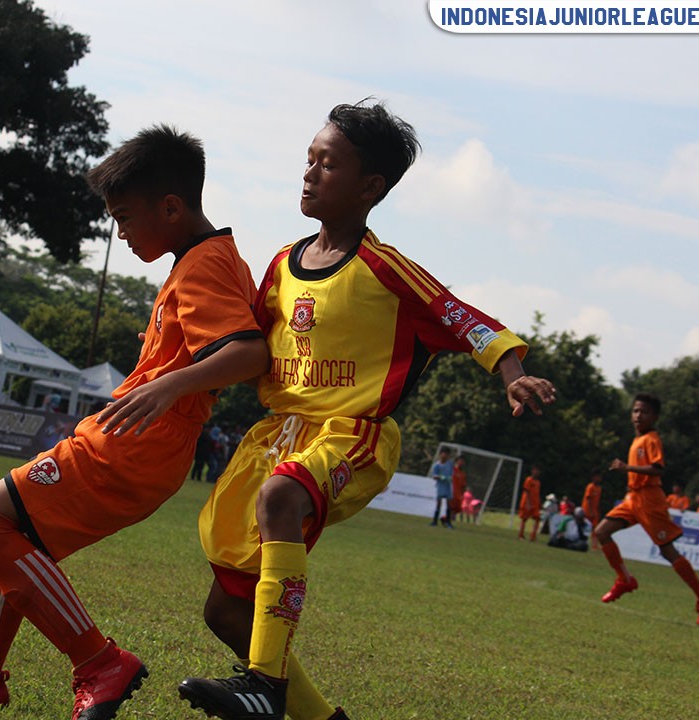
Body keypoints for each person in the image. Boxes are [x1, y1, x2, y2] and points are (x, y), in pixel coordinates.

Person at [178, 100, 556, 720]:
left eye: (326, 164)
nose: (309, 172)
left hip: (352, 435)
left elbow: (467, 321)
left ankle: (264, 686)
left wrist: (512, 373)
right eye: (308, 160)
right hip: (275, 436)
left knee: (281, 498)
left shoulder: (387, 269)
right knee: (224, 611)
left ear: (370, 186)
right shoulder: (281, 265)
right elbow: (242, 342)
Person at [0, 125, 270, 720]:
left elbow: (248, 353)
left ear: (171, 206)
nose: (120, 231)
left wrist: (168, 385)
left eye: (124, 216)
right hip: (144, 444)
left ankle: (99, 663)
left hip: (136, 444)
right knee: (16, 546)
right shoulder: (208, 258)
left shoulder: (204, 265)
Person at [593, 392, 699, 625]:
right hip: (633, 498)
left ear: (655, 417)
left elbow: (657, 468)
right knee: (601, 532)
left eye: (645, 412)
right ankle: (625, 579)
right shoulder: (638, 439)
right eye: (636, 410)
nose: (639, 415)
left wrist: (626, 467)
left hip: (650, 500)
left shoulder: (651, 439)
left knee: (667, 550)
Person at [429, 448, 455, 527]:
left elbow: (452, 474)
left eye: (446, 455)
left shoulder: (450, 464)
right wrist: (441, 477)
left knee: (449, 504)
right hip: (440, 486)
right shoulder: (437, 465)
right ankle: (435, 521)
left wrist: (450, 478)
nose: (445, 456)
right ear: (440, 454)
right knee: (438, 503)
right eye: (443, 454)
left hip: (448, 486)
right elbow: (434, 476)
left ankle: (448, 522)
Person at [517, 467, 542, 541]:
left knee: (537, 518)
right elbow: (526, 491)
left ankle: (533, 536)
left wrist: (539, 503)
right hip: (527, 502)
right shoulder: (529, 480)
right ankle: (521, 535)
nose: (537, 472)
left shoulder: (538, 482)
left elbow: (537, 493)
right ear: (532, 471)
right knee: (524, 519)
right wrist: (527, 503)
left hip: (535, 503)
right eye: (536, 470)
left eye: (538, 471)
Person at [582, 470, 603, 549]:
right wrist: (590, 510)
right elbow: (588, 499)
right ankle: (584, 542)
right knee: (585, 527)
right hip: (587, 511)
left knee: (595, 529)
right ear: (594, 477)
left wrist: (597, 511)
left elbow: (597, 501)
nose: (600, 479)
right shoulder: (590, 486)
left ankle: (594, 545)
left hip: (594, 512)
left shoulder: (599, 488)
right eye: (598, 477)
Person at [450, 455, 467, 526]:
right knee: (449, 507)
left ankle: (452, 521)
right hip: (450, 492)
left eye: (462, 462)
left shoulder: (463, 474)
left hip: (458, 494)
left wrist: (463, 494)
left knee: (455, 509)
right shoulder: (451, 470)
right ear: (456, 461)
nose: (461, 463)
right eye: (460, 461)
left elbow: (463, 486)